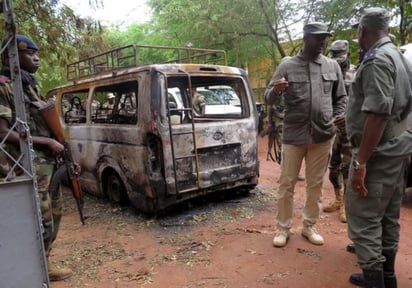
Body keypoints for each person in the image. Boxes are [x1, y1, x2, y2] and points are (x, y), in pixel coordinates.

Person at [345, 8, 412, 288]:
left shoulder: (376, 60)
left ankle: (376, 281)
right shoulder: (398, 55)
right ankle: (388, 277)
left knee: (365, 218)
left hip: (378, 153)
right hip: (397, 147)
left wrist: (361, 162)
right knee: (388, 214)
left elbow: (378, 114)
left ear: (363, 30)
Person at [265, 22, 347, 247]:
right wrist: (276, 90)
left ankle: (309, 226)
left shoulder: (332, 66)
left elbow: (341, 97)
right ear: (306, 38)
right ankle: (283, 228)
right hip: (294, 134)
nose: (323, 42)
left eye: (325, 38)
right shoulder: (287, 65)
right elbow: (268, 98)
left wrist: (337, 116)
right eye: (318, 38)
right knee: (287, 183)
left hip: (323, 135)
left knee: (316, 184)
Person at [0, 35, 73, 281]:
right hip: (23, 165)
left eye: (36, 52)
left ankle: (45, 262)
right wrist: (47, 142)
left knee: (55, 214)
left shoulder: (29, 85)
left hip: (46, 164)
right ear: (14, 56)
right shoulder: (3, 85)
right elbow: (2, 133)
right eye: (30, 53)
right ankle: (32, 270)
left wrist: (59, 146)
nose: (36, 57)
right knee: (39, 220)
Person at [323, 40, 355, 223]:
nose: (337, 61)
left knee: (346, 167)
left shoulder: (356, 72)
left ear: (347, 55)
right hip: (334, 127)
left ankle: (346, 206)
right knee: (333, 166)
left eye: (340, 57)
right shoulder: (328, 72)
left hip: (351, 128)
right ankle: (338, 198)